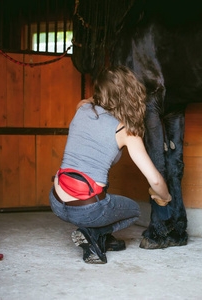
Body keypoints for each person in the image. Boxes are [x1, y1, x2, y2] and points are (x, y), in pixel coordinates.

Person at [49, 65, 172, 264]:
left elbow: (91, 101)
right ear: (129, 93)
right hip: (86, 208)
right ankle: (94, 235)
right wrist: (165, 197)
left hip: (56, 200)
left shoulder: (82, 108)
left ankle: (101, 237)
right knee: (133, 211)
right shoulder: (124, 130)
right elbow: (155, 181)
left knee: (102, 189)